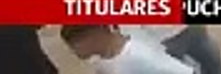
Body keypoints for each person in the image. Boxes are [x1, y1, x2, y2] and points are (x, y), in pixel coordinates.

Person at [61, 24, 194, 74]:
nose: (72, 52)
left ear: (93, 34)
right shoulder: (100, 59)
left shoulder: (137, 56)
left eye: (74, 44)